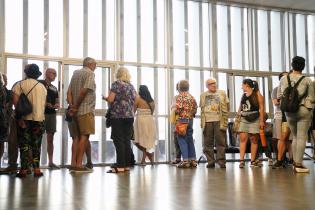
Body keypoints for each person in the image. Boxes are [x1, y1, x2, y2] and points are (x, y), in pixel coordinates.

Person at [278, 56, 315, 173]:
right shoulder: (307, 80)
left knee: (294, 137)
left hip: (289, 111)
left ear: (292, 65)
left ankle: (294, 161)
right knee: (301, 137)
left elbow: (280, 96)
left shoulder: (284, 79)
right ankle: (298, 164)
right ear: (303, 66)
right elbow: (312, 98)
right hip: (303, 110)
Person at [12, 64, 47, 178]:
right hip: (39, 119)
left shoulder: (19, 85)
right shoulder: (42, 87)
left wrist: (20, 118)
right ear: (37, 74)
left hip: (24, 119)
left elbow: (16, 103)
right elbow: (43, 104)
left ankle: (23, 170)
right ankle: (37, 169)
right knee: (36, 145)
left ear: (26, 73)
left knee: (24, 145)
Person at [103, 67, 136, 173]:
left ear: (118, 74)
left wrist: (105, 98)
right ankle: (126, 165)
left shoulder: (116, 84)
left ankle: (120, 165)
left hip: (117, 116)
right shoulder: (131, 86)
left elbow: (111, 99)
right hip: (129, 117)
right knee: (126, 140)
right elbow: (136, 99)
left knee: (118, 140)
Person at [67, 57, 96, 172]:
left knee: (75, 138)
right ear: (90, 64)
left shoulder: (75, 73)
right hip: (85, 110)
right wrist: (75, 107)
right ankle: (79, 164)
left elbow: (68, 92)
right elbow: (84, 91)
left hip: (73, 111)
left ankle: (73, 163)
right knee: (84, 137)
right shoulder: (90, 73)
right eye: (95, 64)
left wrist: (71, 106)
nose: (96, 66)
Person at [200, 78, 229, 168]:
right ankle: (210, 161)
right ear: (207, 86)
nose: (213, 85)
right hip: (207, 121)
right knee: (208, 143)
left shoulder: (222, 93)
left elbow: (227, 105)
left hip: (219, 120)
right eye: (211, 84)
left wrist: (225, 117)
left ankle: (221, 162)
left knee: (221, 142)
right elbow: (201, 108)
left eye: (214, 83)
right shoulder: (203, 95)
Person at [237, 79, 265, 168]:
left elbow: (261, 109)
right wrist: (238, 117)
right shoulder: (243, 95)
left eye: (242, 84)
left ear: (246, 85)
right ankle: (241, 160)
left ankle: (252, 161)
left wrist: (261, 121)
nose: (241, 87)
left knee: (254, 140)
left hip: (255, 118)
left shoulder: (257, 94)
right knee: (243, 139)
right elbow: (240, 107)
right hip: (244, 118)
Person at [39, 68, 60, 169]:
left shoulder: (54, 88)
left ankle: (50, 162)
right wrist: (45, 104)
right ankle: (34, 164)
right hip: (40, 114)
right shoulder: (39, 84)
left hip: (51, 114)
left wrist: (56, 105)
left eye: (56, 74)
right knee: (37, 139)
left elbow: (57, 101)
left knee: (50, 139)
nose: (55, 76)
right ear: (46, 73)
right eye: (53, 73)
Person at [175, 80, 198, 168]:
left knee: (181, 139)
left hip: (182, 119)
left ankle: (185, 161)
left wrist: (177, 117)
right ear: (188, 87)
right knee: (190, 139)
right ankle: (193, 160)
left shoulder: (180, 97)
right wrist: (191, 114)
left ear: (179, 87)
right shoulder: (191, 97)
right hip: (190, 119)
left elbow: (178, 109)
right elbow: (195, 108)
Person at [0, 74, 18, 174]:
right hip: (3, 119)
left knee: (3, 142)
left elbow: (10, 106)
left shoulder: (8, 92)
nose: (5, 81)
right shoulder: (4, 91)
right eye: (4, 79)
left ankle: (11, 165)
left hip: (5, 121)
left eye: (6, 79)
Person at [133, 85, 156, 165]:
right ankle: (149, 156)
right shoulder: (151, 101)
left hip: (140, 121)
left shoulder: (138, 98)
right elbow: (152, 113)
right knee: (146, 141)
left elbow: (133, 111)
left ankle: (144, 160)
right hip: (149, 121)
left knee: (138, 141)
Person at [170, 82, 181, 164]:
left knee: (183, 141)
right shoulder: (175, 97)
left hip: (183, 121)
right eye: (178, 87)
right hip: (176, 121)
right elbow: (173, 108)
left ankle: (186, 159)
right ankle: (178, 158)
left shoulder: (187, 97)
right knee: (176, 141)